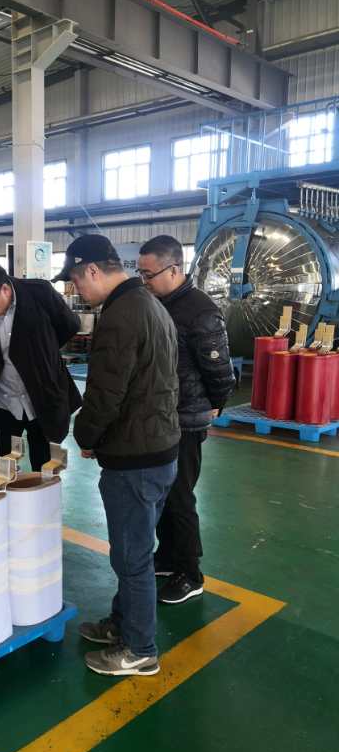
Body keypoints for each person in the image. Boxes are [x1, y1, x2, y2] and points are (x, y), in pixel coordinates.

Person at [56, 234, 180, 677]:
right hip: (160, 448)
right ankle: (122, 624)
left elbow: (106, 392)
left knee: (132, 558)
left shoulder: (120, 315)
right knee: (136, 550)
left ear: (92, 270)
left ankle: (140, 649)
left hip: (135, 457)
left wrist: (86, 435)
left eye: (75, 279)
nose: (74, 289)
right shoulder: (150, 305)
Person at [137, 236, 235, 604]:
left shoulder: (200, 310)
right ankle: (167, 557)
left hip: (187, 417)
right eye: (140, 274)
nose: (144, 281)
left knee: (180, 496)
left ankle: (191, 573)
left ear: (174, 269)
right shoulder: (157, 303)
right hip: (161, 416)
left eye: (149, 274)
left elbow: (220, 370)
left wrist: (216, 403)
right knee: (162, 492)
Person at [0, 256, 82, 470]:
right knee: (0, 468)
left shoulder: (39, 293)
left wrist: (43, 350)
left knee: (47, 468)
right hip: (2, 404)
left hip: (44, 399)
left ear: (5, 289)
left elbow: (69, 325)